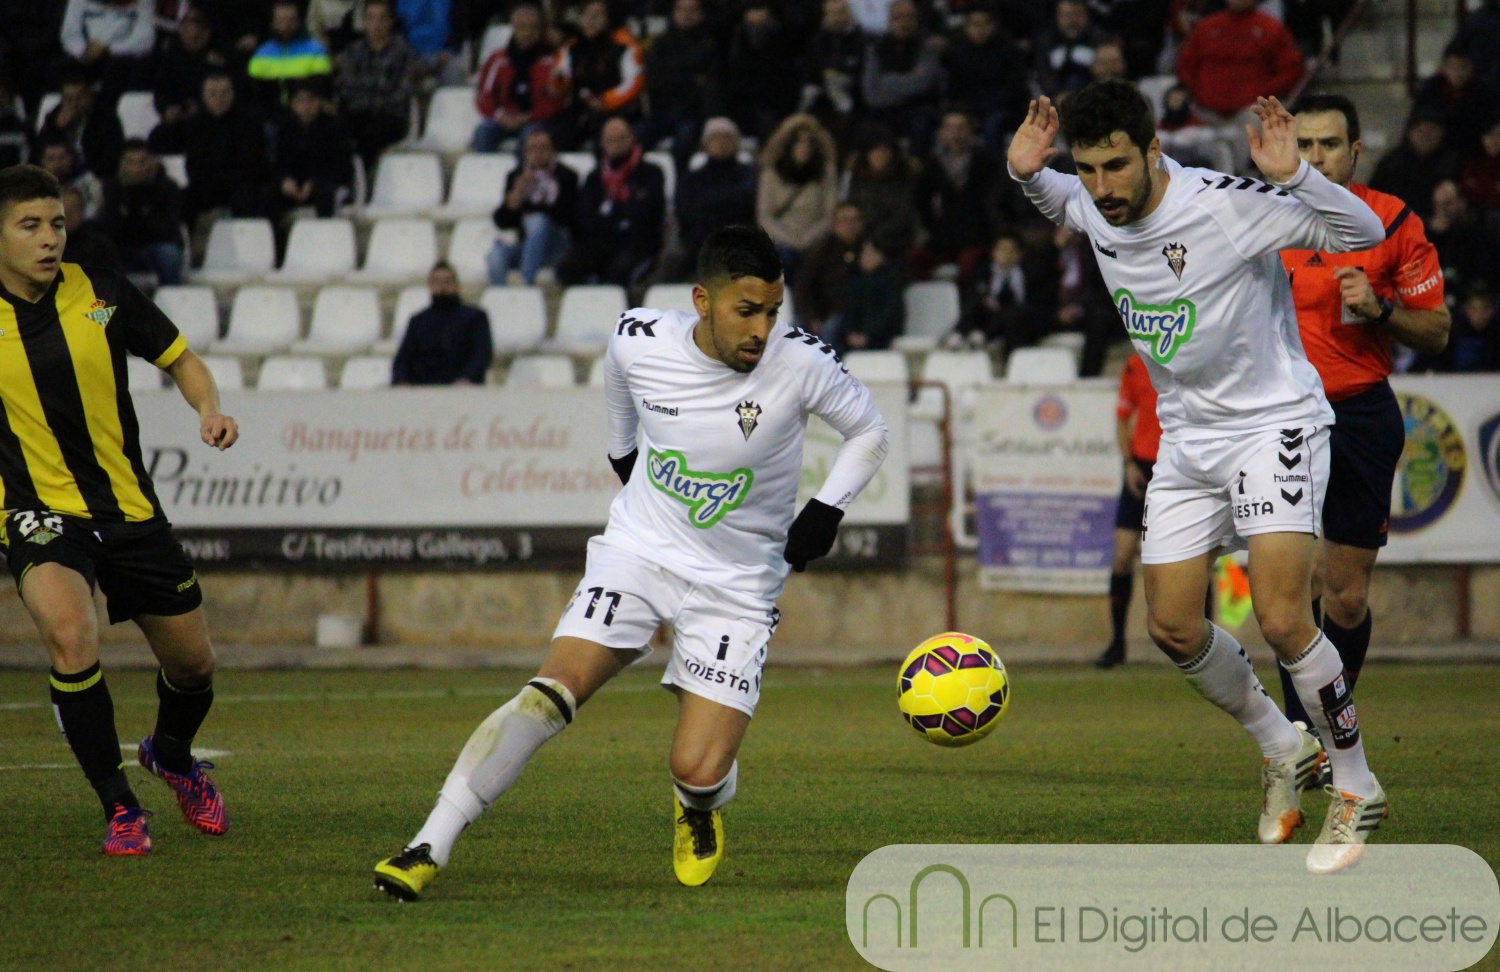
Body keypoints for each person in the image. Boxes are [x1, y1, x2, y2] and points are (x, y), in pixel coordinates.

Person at [373, 225, 889, 899]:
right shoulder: (640, 337)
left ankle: (698, 805)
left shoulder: (802, 363)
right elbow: (619, 382)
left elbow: (869, 429)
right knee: (550, 690)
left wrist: (826, 509)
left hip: (737, 585)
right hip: (639, 552)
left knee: (697, 769)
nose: (762, 329)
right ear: (702, 300)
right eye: (746, 311)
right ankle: (427, 845)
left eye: (772, 311)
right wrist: (622, 450)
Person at [1007, 82, 1388, 872]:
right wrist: (1027, 172)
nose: (1102, 187)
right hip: (1187, 440)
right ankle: (1281, 745)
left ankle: (1357, 786)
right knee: (1173, 626)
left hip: (1272, 424)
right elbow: (1060, 200)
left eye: (1116, 166)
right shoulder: (1094, 203)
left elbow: (1364, 229)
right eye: (1088, 168)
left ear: (1153, 150)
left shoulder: (1225, 206)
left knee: (1281, 619)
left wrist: (1295, 177)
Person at [0, 164, 237, 855]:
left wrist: (209, 408)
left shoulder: (101, 295)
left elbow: (180, 358)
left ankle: (171, 755)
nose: (49, 238)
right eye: (30, 226)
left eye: (56, 223)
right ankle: (121, 806)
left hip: (128, 508)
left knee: (194, 667)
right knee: (72, 638)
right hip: (38, 512)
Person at [1272, 94, 1450, 728]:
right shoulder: (1262, 216)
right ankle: (1301, 737)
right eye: (1305, 145)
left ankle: (1329, 721)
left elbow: (1437, 331)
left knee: (1345, 597)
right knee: (1288, 592)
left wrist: (1380, 309)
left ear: (1355, 151)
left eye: (1328, 145)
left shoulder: (1392, 221)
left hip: (1359, 413)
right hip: (1281, 420)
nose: (1316, 157)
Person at [1174, 0, 1303, 170]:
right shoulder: (1206, 27)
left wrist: (1262, 93)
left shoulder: (1271, 28)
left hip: (1248, 111)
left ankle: (1241, 176)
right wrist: (1196, 90)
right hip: (1204, 111)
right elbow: (1184, 65)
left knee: (1258, 117)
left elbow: (1292, 70)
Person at [1095, 354, 1161, 667]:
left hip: (1181, 464)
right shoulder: (1136, 364)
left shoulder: (1190, 352)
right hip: (1143, 467)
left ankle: (1204, 645)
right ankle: (1117, 642)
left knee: (1198, 555)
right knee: (1122, 556)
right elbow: (1123, 418)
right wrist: (1129, 463)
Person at [559, 117, 665, 288]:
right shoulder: (594, 178)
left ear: (632, 138)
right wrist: (620, 217)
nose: (615, 144)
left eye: (621, 138)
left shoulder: (651, 173)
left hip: (637, 242)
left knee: (619, 269)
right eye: (610, 140)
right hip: (600, 241)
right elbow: (585, 218)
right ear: (602, 143)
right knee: (569, 268)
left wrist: (616, 218)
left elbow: (648, 213)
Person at [911, 110, 1002, 288]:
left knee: (970, 266)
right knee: (914, 260)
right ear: (941, 132)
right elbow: (921, 202)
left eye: (961, 128)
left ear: (970, 130)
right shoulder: (932, 165)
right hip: (943, 236)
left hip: (977, 235)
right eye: (950, 128)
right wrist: (932, 226)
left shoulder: (986, 161)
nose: (956, 134)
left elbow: (994, 201)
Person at [638, 0, 722, 174]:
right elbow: (654, 80)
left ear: (701, 14)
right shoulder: (661, 44)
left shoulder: (709, 45)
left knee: (683, 143)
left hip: (692, 113)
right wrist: (689, 79)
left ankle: (682, 187)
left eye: (692, 10)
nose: (686, 15)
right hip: (662, 111)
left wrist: (679, 80)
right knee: (635, 140)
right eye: (681, 10)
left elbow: (710, 85)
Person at [487, 126, 578, 286]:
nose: (537, 153)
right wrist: (517, 195)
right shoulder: (516, 176)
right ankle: (501, 296)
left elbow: (568, 216)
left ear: (553, 151)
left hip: (558, 245)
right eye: (532, 149)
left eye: (543, 148)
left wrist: (533, 209)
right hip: (527, 245)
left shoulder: (567, 176)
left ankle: (525, 286)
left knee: (538, 221)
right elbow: (502, 222)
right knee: (495, 255)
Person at [756, 113, 840, 279]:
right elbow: (765, 216)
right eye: (799, 141)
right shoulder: (771, 174)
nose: (805, 147)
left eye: (809, 142)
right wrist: (789, 240)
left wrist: (807, 239)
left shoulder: (826, 174)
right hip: (781, 240)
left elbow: (829, 214)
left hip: (815, 239)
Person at [472, 4, 566, 153]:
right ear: (514, 28)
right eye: (522, 27)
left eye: (533, 27)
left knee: (530, 137)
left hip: (539, 120)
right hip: (504, 118)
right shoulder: (498, 59)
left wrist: (528, 117)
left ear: (541, 30)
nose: (528, 33)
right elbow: (484, 94)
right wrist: (500, 116)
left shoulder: (555, 60)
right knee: (483, 133)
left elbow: (557, 99)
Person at [336, 0, 414, 176]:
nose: (376, 25)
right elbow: (347, 89)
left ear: (390, 22)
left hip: (389, 117)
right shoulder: (353, 51)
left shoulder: (403, 52)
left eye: (381, 19)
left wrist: (367, 96)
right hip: (358, 115)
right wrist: (374, 96)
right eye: (371, 18)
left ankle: (362, 181)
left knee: (370, 135)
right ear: (364, 21)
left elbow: (401, 94)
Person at [674, 118, 758, 281]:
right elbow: (685, 213)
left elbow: (745, 209)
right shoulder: (691, 179)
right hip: (701, 244)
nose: (721, 143)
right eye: (715, 138)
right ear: (706, 143)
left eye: (726, 138)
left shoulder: (749, 176)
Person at [861, 0, 943, 159]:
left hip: (919, 109)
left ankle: (917, 169)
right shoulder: (875, 49)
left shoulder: (927, 46)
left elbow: (922, 83)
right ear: (889, 21)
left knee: (921, 125)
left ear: (917, 20)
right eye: (898, 18)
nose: (904, 23)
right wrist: (907, 84)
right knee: (865, 127)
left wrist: (885, 81)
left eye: (909, 17)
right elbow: (870, 93)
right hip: (883, 110)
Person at [555, 0, 644, 147]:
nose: (591, 20)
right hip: (579, 110)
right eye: (587, 15)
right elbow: (560, 80)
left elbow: (633, 83)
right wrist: (558, 81)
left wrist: (605, 101)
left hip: (615, 111)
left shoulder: (624, 46)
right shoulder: (571, 47)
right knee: (556, 136)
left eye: (598, 15)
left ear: (608, 18)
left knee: (605, 139)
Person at [942, 5, 1028, 154]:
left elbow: (1014, 89)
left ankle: (992, 164)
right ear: (966, 27)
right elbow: (953, 88)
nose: (980, 29)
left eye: (985, 23)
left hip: (1002, 110)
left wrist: (980, 110)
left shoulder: (1008, 49)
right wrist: (968, 113)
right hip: (968, 110)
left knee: (993, 124)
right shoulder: (956, 51)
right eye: (975, 24)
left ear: (993, 25)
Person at [100, 139, 187, 285]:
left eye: (142, 162)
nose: (137, 168)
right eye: (131, 162)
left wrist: (131, 215)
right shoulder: (112, 188)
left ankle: (170, 295)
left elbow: (168, 229)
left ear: (152, 161)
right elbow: (110, 228)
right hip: (123, 249)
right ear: (122, 164)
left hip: (155, 249)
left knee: (169, 254)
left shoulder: (168, 188)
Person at [392, 262, 493, 385]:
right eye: (437, 282)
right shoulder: (418, 321)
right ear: (430, 286)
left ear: (457, 285)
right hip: (423, 388)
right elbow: (403, 359)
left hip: (462, 389)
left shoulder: (475, 318)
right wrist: (402, 380)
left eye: (447, 281)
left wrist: (467, 378)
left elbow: (481, 355)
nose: (442, 286)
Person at [947, 231, 1050, 351]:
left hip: (1016, 322)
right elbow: (972, 296)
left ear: (1019, 254)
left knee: (1012, 312)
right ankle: (960, 334)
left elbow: (1032, 303)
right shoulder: (983, 272)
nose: (1006, 255)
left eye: (1011, 251)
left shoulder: (1029, 275)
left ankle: (984, 336)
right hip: (987, 317)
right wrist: (985, 300)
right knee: (977, 305)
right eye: (1002, 250)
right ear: (994, 252)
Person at [271, 81, 356, 220]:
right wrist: (285, 180)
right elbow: (279, 162)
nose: (306, 106)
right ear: (292, 104)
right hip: (296, 187)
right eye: (301, 101)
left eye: (311, 100)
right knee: (269, 195)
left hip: (325, 185)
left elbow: (341, 166)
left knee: (325, 194)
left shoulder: (334, 128)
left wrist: (314, 182)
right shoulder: (286, 129)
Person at [60, 0, 156, 107]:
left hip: (120, 56)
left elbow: (145, 39)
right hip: (86, 53)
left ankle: (104, 114)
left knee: (117, 69)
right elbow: (69, 34)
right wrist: (84, 51)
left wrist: (108, 50)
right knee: (58, 67)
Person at [247, 0, 333, 116]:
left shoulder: (316, 51)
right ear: (272, 23)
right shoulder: (261, 54)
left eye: (291, 20)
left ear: (299, 22)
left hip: (306, 114)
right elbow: (255, 92)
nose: (285, 27)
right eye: (280, 21)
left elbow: (321, 88)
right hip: (270, 114)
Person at [843, 128, 920, 258]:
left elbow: (903, 215)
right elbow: (852, 206)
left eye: (885, 150)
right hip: (860, 236)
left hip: (894, 240)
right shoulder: (858, 177)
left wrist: (874, 239)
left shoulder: (904, 177)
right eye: (875, 150)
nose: (880, 154)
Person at [35, 70, 126, 178]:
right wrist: (56, 128)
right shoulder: (53, 118)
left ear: (89, 96)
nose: (74, 104)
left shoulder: (105, 118)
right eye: (69, 99)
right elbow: (39, 153)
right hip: (60, 174)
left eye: (79, 98)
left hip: (95, 174)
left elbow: (112, 155)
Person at [151, 5, 229, 128]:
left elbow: (226, 92)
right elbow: (161, 91)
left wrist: (202, 107)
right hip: (177, 119)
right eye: (186, 32)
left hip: (211, 118)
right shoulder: (173, 55)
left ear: (207, 33)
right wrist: (166, 109)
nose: (191, 38)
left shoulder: (219, 57)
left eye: (196, 37)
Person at [794, 201, 865, 334]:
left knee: (831, 328)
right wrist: (811, 318)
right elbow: (803, 289)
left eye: (855, 220)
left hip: (850, 315)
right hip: (819, 312)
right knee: (795, 327)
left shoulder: (868, 252)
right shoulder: (820, 252)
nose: (850, 225)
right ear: (834, 225)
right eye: (844, 220)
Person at [824, 237, 904, 352]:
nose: (864, 257)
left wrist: (868, 336)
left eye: (869, 254)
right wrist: (850, 333)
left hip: (880, 339)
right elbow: (850, 311)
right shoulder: (857, 283)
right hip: (853, 339)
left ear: (880, 256)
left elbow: (889, 316)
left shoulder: (890, 284)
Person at [1034, 0, 1104, 96]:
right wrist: (1056, 94)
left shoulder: (1100, 40)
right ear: (1057, 17)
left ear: (1087, 15)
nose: (1072, 21)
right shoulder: (1047, 42)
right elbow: (1043, 74)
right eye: (1066, 15)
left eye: (1077, 14)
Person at [38, 137, 105, 223]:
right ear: (42, 162)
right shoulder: (35, 189)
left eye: (62, 158)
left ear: (71, 158)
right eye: (51, 159)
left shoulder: (88, 182)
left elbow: (93, 211)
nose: (57, 164)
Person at [60, 182, 123, 268]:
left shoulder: (99, 247)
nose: (68, 215)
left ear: (82, 211)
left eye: (73, 210)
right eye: (64, 210)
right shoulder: (46, 245)